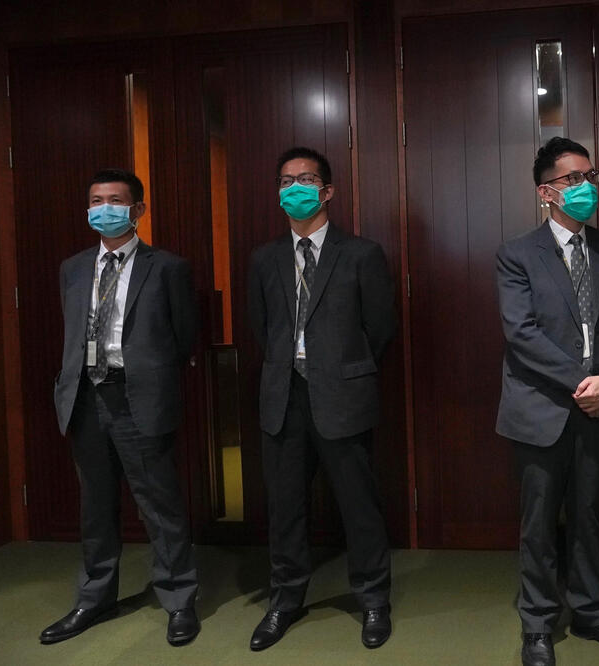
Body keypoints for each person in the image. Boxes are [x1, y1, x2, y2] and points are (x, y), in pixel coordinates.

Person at [496, 137, 599, 666]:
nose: (585, 187)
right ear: (546, 192)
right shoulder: (516, 254)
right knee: (538, 523)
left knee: (589, 516)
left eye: (591, 176)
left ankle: (593, 612)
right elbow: (522, 332)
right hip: (541, 408)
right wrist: (584, 381)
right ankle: (537, 624)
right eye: (572, 179)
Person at [41, 168, 200, 647]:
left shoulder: (167, 267)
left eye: (114, 199)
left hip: (138, 397)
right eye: (95, 199)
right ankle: (94, 598)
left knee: (159, 505)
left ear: (138, 210)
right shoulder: (73, 267)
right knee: (96, 506)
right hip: (85, 398)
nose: (103, 208)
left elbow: (184, 336)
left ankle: (178, 598)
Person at [247, 146, 396, 651]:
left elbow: (379, 328)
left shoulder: (362, 254)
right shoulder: (264, 259)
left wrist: (339, 369)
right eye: (285, 181)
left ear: (328, 190)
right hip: (282, 399)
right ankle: (284, 600)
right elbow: (261, 328)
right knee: (285, 508)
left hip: (344, 398)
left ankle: (373, 599)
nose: (294, 189)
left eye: (305, 179)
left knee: (359, 506)